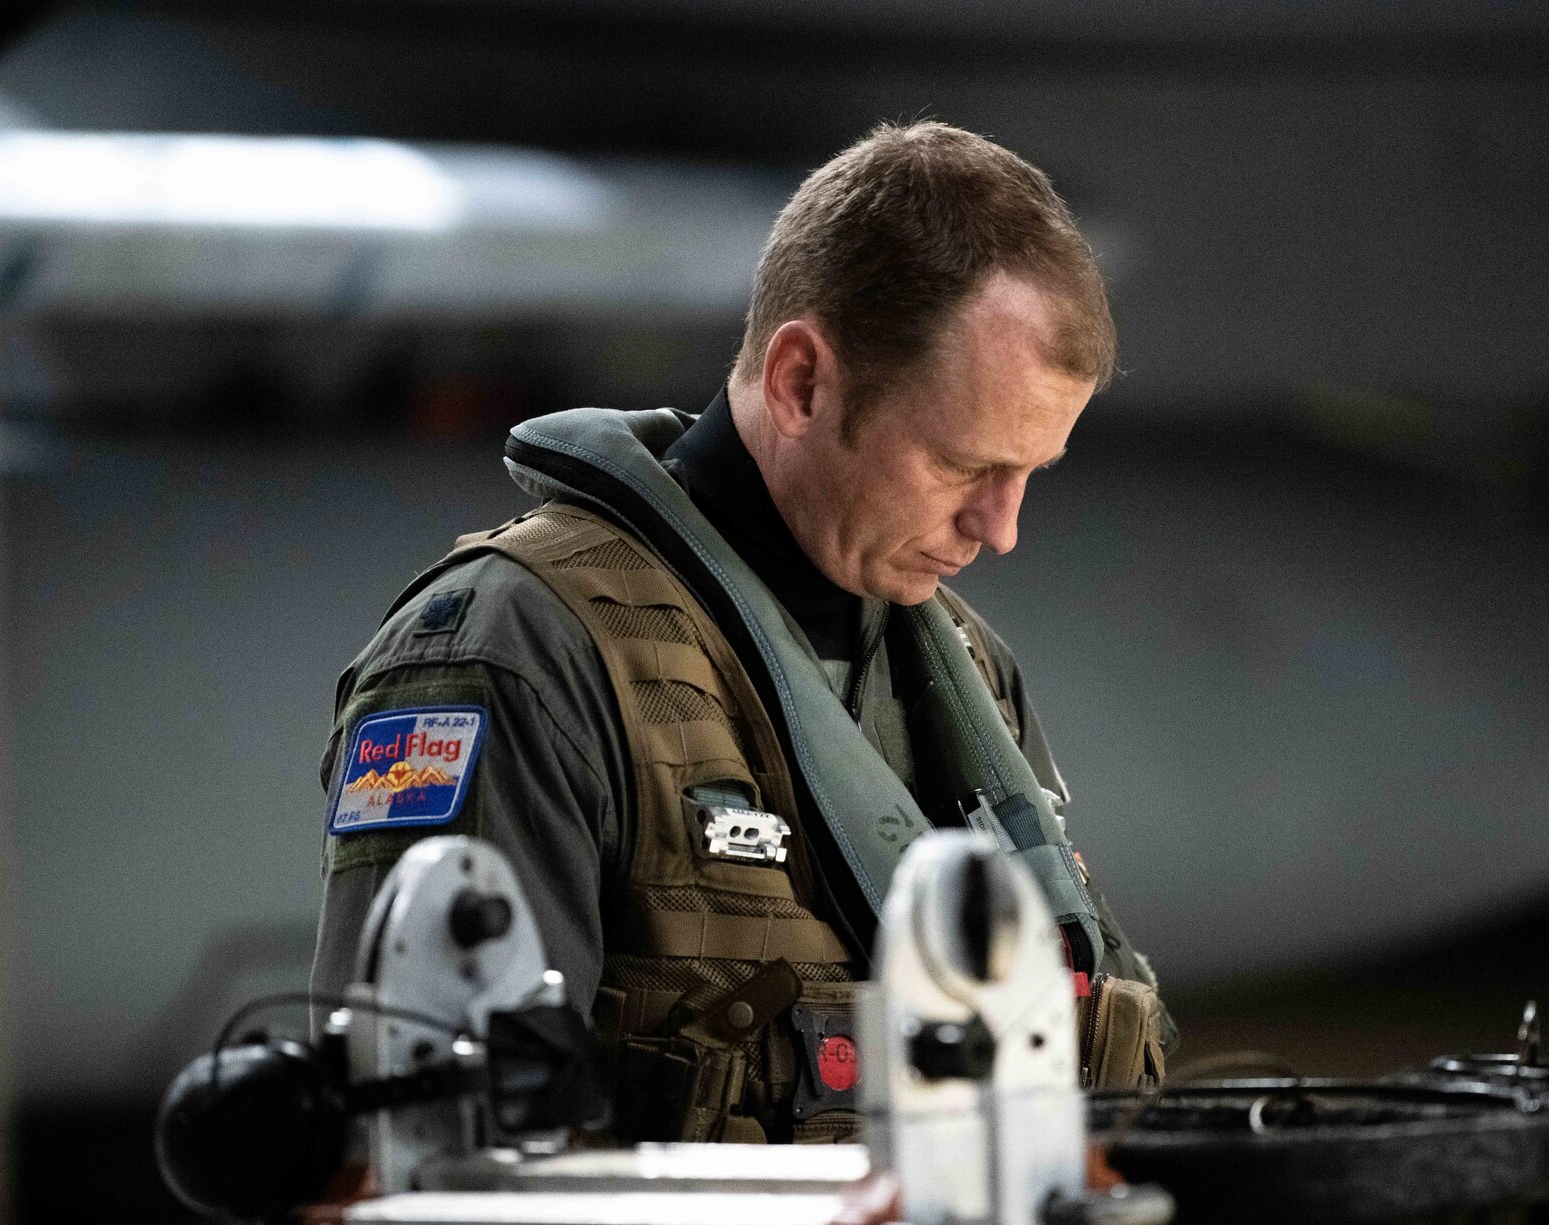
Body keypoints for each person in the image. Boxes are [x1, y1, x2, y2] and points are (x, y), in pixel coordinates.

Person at [313, 121, 1171, 1163]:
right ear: (802, 381)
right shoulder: (521, 655)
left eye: (1030, 473)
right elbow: (444, 1200)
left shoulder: (963, 676)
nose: (1000, 528)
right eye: (961, 465)